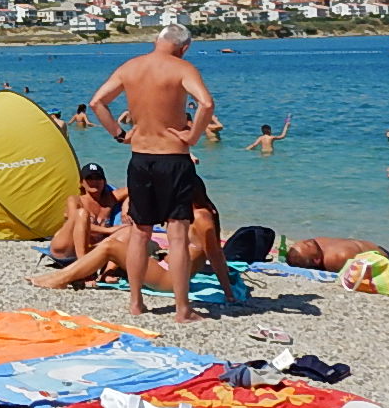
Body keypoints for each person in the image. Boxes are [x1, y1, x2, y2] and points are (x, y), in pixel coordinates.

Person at [87, 24, 214, 323]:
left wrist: (120, 134)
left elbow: (97, 102)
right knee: (178, 234)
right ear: (184, 47)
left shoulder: (130, 67)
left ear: (156, 41)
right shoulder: (182, 68)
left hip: (140, 158)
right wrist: (193, 136)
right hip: (173, 158)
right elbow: (206, 104)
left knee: (139, 233)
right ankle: (182, 310)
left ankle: (135, 303)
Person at [29, 177, 235, 304]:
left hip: (169, 280)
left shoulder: (202, 219)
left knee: (110, 246)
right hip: (166, 268)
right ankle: (61, 277)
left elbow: (215, 256)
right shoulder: (190, 212)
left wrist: (228, 293)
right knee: (127, 238)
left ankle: (60, 279)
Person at [49, 163, 125, 264]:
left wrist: (125, 208)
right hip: (66, 247)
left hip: (91, 248)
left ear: (104, 181)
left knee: (127, 231)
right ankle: (83, 266)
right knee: (81, 214)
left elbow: (134, 191)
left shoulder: (110, 199)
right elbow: (76, 223)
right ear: (81, 183)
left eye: (98, 178)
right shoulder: (75, 200)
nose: (94, 181)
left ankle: (105, 270)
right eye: (89, 178)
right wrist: (108, 230)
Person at [285, 237, 389, 272]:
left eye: (303, 242)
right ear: (316, 260)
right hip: (387, 259)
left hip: (379, 251)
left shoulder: (318, 246)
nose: (307, 241)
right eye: (308, 246)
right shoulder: (336, 258)